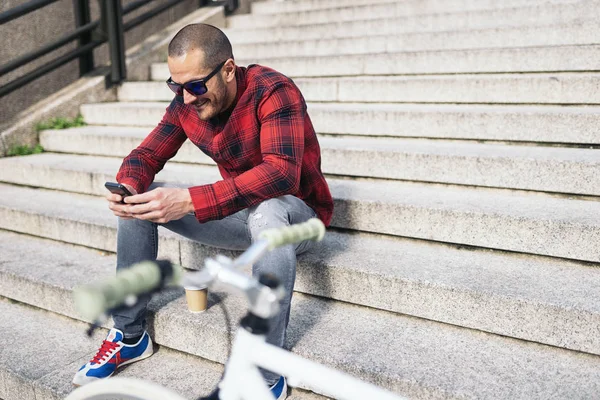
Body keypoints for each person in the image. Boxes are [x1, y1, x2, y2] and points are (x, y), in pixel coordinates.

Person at [72, 23, 333, 399]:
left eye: (196, 85)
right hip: (242, 212)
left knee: (269, 211)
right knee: (141, 199)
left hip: (297, 217)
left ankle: (264, 368)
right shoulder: (186, 103)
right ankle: (130, 336)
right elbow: (145, 155)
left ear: (228, 69)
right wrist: (128, 184)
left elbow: (280, 175)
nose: (187, 97)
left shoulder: (273, 90)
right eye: (176, 86)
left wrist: (192, 199)